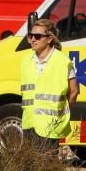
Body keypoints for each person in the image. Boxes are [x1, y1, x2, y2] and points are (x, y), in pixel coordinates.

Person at [20, 18, 78, 152]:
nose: (33, 39)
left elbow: (74, 91)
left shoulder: (63, 62)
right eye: (31, 36)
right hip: (29, 124)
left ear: (49, 39)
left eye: (38, 36)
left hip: (51, 128)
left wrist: (61, 114)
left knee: (46, 166)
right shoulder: (25, 61)